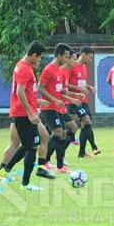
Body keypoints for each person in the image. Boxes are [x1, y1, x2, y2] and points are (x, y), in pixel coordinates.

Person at [4, 41, 46, 191]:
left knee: (28, 145)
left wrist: (38, 102)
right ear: (34, 54)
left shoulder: (22, 66)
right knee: (33, 146)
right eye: (39, 58)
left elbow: (27, 92)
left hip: (23, 111)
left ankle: (6, 170)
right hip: (23, 113)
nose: (39, 61)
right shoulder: (24, 69)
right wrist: (30, 113)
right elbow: (19, 92)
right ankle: (26, 184)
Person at [40, 43, 72, 173]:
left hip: (58, 108)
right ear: (58, 55)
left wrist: (72, 97)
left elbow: (60, 90)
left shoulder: (60, 70)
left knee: (63, 134)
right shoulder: (49, 69)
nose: (67, 59)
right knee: (58, 133)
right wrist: (54, 100)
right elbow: (40, 88)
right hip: (49, 108)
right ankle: (48, 162)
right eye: (66, 56)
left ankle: (57, 165)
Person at [69, 46, 100, 158]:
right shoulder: (72, 66)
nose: (90, 60)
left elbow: (81, 83)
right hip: (74, 100)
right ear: (83, 54)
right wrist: (78, 89)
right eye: (90, 57)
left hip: (83, 100)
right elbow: (66, 84)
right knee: (84, 122)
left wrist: (89, 87)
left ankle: (82, 152)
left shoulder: (84, 67)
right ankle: (93, 146)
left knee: (86, 123)